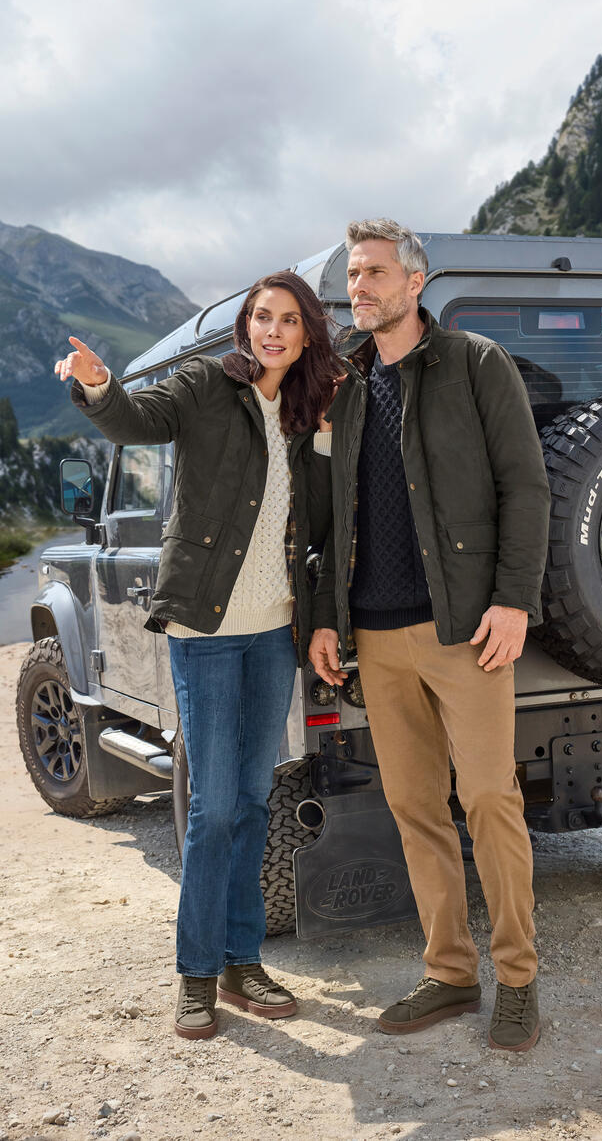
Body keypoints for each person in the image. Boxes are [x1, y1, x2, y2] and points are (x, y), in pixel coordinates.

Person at [55, 271, 338, 1039]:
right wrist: (99, 384)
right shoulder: (205, 386)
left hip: (275, 632)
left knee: (252, 800)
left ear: (307, 332)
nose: (271, 331)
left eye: (286, 320)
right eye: (260, 318)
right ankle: (197, 973)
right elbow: (135, 420)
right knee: (212, 808)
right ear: (245, 327)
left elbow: (324, 522)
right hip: (206, 635)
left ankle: (244, 962)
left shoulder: (312, 413)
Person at [309, 219, 550, 1052]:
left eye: (375, 272)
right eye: (353, 274)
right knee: (415, 807)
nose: (360, 286)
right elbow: (327, 514)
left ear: (416, 282)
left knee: (488, 798)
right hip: (374, 638)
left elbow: (526, 485)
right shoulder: (341, 381)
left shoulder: (476, 364)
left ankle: (516, 980)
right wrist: (325, 621)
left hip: (463, 630)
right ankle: (450, 972)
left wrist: (513, 599)